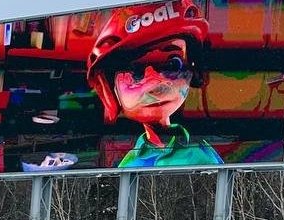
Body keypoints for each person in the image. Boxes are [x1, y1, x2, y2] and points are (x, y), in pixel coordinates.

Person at [88, 0, 223, 169]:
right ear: (109, 88)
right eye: (136, 71)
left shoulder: (202, 152)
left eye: (172, 65)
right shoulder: (130, 162)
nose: (156, 86)